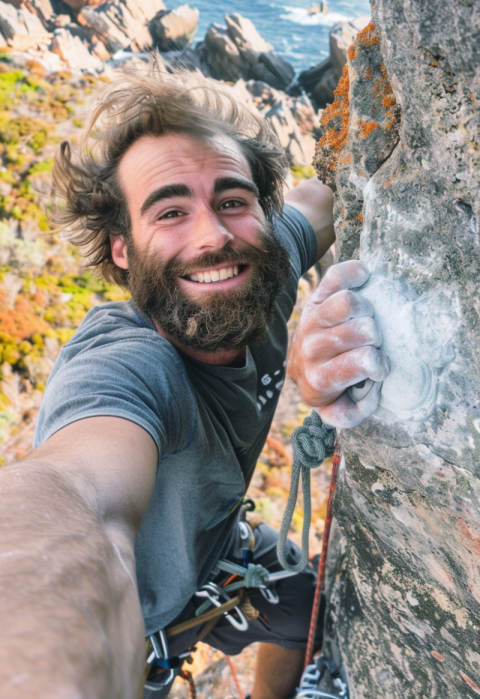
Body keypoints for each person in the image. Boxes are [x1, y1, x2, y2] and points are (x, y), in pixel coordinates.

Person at [0, 61, 389, 699]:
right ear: (122, 249)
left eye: (232, 201)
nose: (212, 234)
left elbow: (325, 198)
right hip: (141, 617)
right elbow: (80, 498)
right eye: (170, 212)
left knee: (309, 613)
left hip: (216, 555)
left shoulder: (260, 259)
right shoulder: (127, 367)